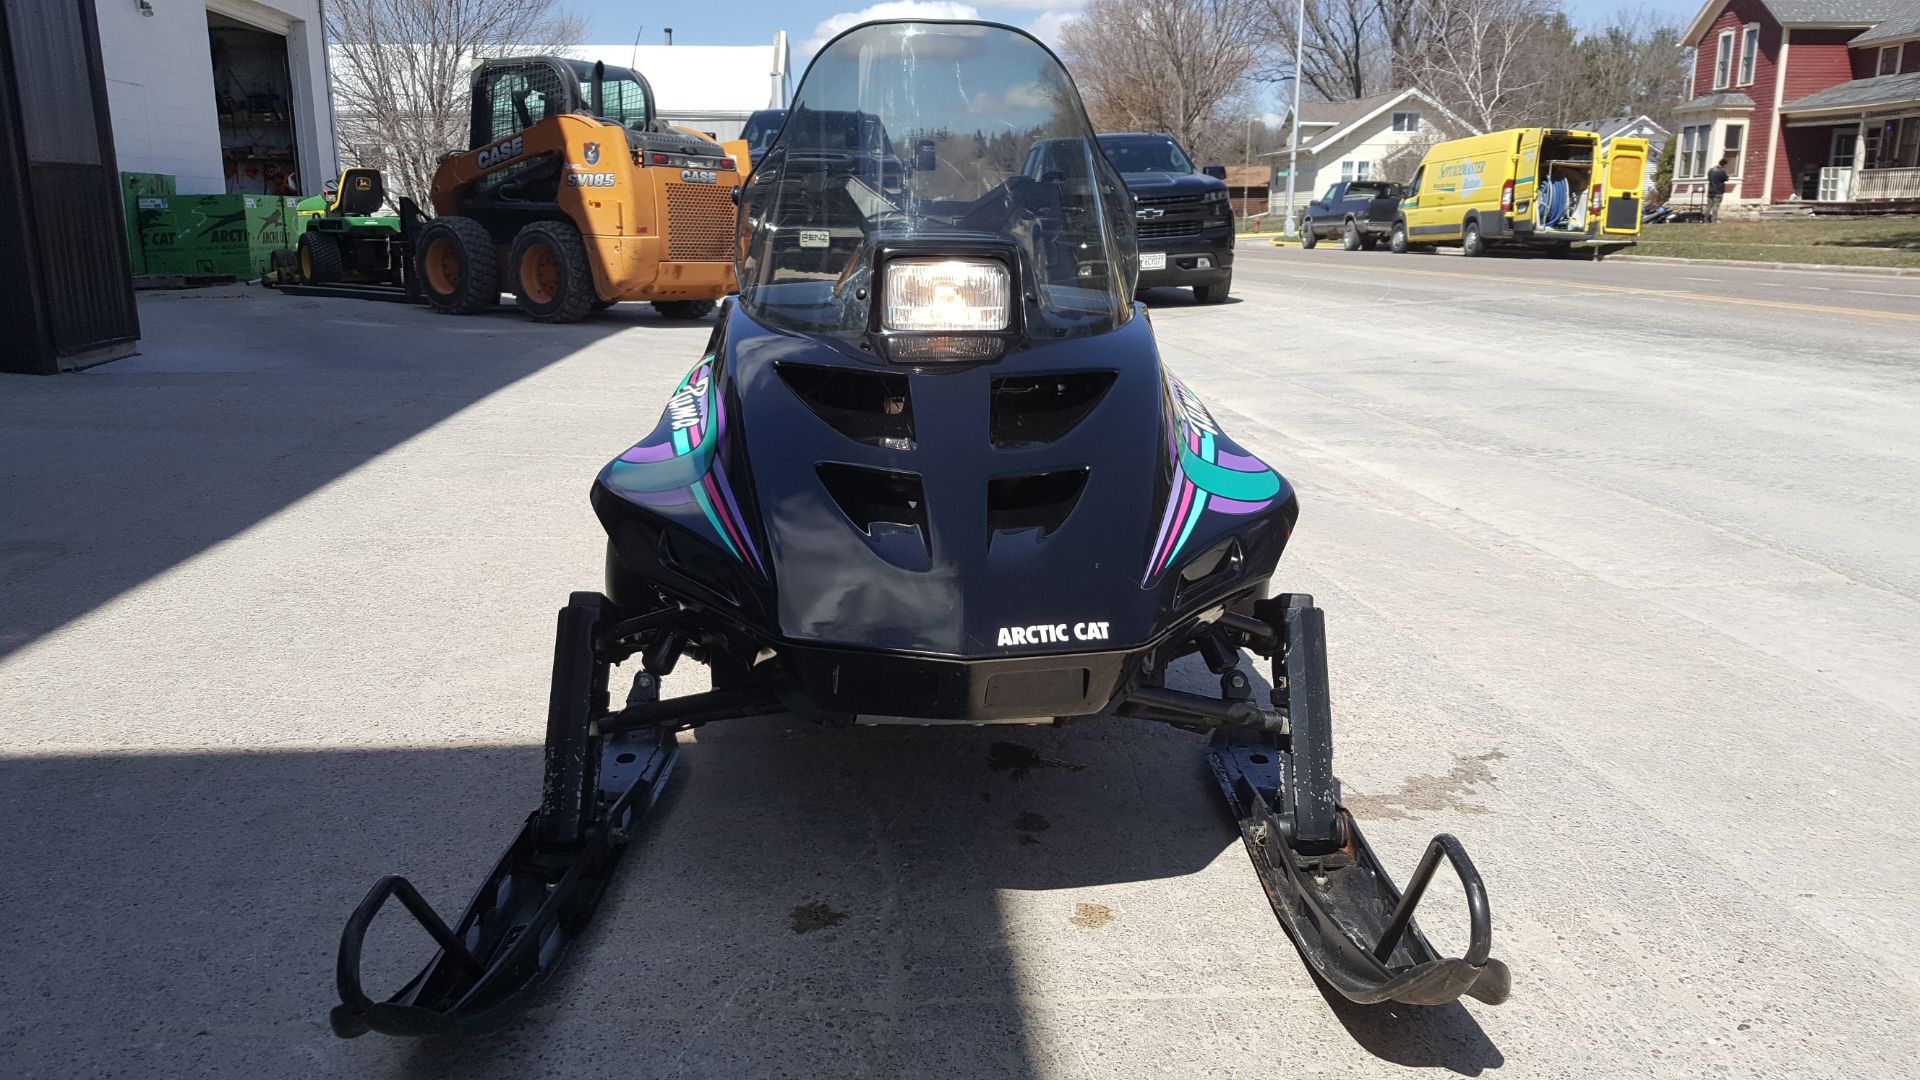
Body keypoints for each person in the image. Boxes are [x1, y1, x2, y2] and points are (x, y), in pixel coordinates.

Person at [1706, 157, 1730, 222]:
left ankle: (1705, 219)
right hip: (1718, 191)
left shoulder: (1711, 170)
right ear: (1724, 164)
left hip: (1710, 191)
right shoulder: (1722, 171)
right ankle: (1713, 220)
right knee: (1715, 206)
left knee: (1708, 206)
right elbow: (1726, 179)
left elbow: (1709, 178)